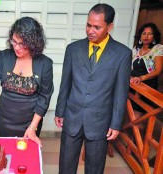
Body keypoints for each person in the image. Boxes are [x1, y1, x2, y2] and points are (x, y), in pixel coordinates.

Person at [54, 3, 132, 174]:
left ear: (109, 27)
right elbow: (65, 83)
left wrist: (116, 123)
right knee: (66, 166)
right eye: (88, 25)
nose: (91, 30)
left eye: (97, 27)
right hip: (72, 117)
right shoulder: (73, 49)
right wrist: (60, 111)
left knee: (95, 169)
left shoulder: (122, 54)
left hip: (100, 121)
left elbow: (121, 92)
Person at [0, 17, 54, 145]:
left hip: (30, 121)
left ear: (34, 43)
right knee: (6, 153)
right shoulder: (4, 57)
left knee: (26, 156)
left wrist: (33, 127)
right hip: (5, 119)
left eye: (22, 44)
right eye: (14, 42)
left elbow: (44, 98)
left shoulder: (45, 64)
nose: (17, 47)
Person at [130, 23, 163, 111]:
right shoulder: (136, 49)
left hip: (147, 86)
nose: (146, 36)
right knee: (129, 111)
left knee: (139, 113)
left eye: (150, 34)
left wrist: (141, 78)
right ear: (140, 36)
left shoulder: (158, 48)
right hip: (132, 83)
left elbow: (158, 70)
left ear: (154, 37)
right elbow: (129, 67)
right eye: (144, 33)